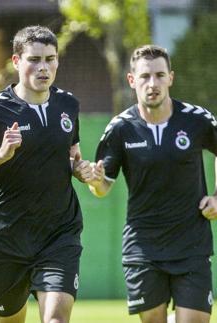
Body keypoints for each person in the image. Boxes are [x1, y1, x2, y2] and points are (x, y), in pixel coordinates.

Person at [0, 25, 93, 323]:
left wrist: (80, 169)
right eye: (34, 59)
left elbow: (73, 153)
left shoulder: (68, 104)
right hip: (7, 238)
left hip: (60, 234)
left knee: (55, 319)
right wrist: (0, 155)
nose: (43, 67)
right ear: (16, 61)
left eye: (50, 59)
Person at [87, 44, 215, 323]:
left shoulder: (197, 120)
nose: (152, 83)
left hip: (191, 245)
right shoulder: (120, 128)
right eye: (145, 76)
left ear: (171, 77)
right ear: (132, 80)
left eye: (159, 75)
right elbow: (102, 186)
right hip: (143, 248)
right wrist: (95, 182)